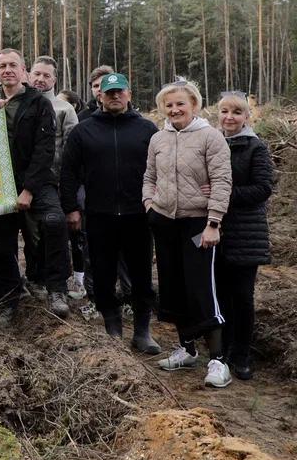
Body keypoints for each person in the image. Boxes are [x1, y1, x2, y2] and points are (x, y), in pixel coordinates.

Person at [60, 73, 161, 354]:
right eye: (109, 92)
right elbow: (68, 173)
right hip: (99, 214)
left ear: (128, 94)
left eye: (120, 91)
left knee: (141, 277)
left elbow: (162, 170)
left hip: (138, 215)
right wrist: (71, 208)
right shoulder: (83, 131)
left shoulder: (147, 129)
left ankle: (142, 332)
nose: (115, 96)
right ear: (99, 97)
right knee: (103, 277)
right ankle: (112, 330)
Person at [143, 80, 233, 387]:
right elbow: (149, 177)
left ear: (193, 104)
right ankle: (187, 348)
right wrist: (148, 206)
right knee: (173, 287)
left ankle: (218, 361)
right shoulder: (158, 139)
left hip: (199, 224)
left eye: (180, 103)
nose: (174, 109)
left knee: (200, 288)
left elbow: (222, 181)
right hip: (165, 222)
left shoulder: (211, 138)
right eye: (168, 105)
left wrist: (214, 222)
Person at [0, 49, 72, 321]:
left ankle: (56, 289)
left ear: (24, 71)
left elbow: (45, 148)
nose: (7, 70)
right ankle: (9, 297)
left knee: (54, 223)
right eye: (2, 66)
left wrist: (28, 189)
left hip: (38, 181)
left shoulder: (38, 103)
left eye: (13, 65)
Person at [214, 90, 274, 381]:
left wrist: (222, 196)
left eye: (237, 112)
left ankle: (242, 354)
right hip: (215, 230)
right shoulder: (211, 142)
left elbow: (263, 188)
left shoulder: (255, 148)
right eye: (225, 111)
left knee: (242, 296)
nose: (230, 117)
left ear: (247, 117)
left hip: (246, 231)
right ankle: (221, 352)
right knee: (219, 294)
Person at [29, 55, 83, 300]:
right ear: (29, 74)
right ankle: (33, 278)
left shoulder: (65, 108)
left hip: (53, 181)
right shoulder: (18, 102)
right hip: (21, 180)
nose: (40, 79)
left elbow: (72, 150)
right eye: (37, 74)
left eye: (46, 75)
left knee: (52, 228)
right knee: (29, 234)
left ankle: (56, 285)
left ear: (54, 79)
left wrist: (66, 185)